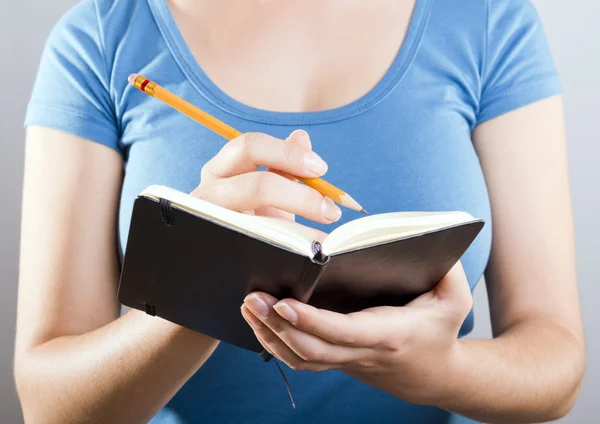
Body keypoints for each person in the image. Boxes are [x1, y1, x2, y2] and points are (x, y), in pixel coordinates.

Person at [14, 0, 585, 423]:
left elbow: (556, 361)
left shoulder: (488, 19)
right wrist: (206, 276)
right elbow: (48, 403)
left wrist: (445, 372)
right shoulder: (100, 35)